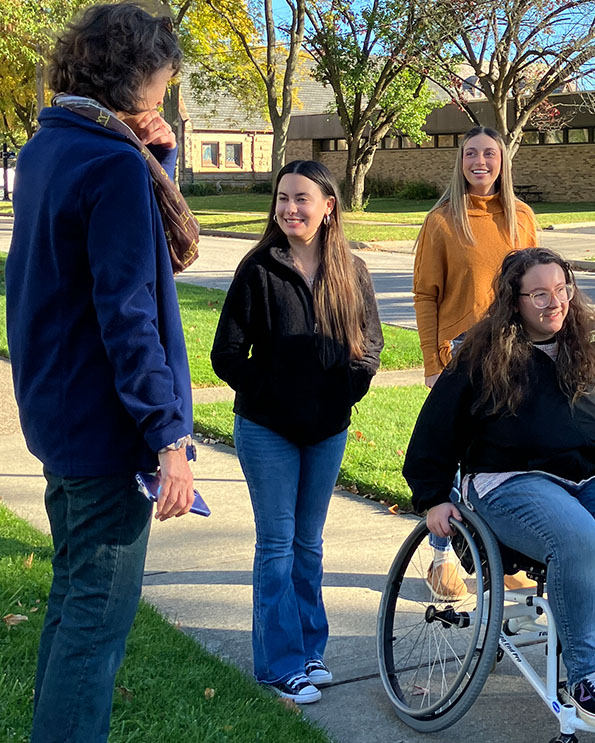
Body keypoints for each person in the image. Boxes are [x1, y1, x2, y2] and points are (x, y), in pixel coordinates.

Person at [4, 5, 197, 743]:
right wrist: (169, 437)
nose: (166, 87)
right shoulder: (111, 162)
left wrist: (159, 160)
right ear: (134, 73)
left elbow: (133, 247)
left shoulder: (54, 144)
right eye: (163, 75)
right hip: (107, 430)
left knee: (72, 600)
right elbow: (130, 312)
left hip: (60, 416)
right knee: (95, 625)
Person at [404, 248, 595, 731]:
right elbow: (434, 431)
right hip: (508, 480)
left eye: (562, 290)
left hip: (589, 476)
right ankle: (584, 677)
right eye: (539, 295)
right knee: (575, 537)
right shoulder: (481, 354)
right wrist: (433, 496)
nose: (555, 304)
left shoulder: (590, 340)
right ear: (514, 301)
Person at [211, 159, 383, 704]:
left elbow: (370, 346)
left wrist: (340, 394)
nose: (289, 208)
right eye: (283, 198)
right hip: (267, 430)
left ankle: (310, 649)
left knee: (309, 545)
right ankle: (279, 664)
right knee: (278, 545)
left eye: (301, 199)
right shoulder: (258, 269)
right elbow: (227, 355)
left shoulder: (350, 271)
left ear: (328, 206)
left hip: (328, 430)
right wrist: (278, 393)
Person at [412, 126, 539, 600]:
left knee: (506, 455)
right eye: (471, 154)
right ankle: (442, 556)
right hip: (462, 353)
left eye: (490, 153)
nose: (480, 161)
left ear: (503, 161)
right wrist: (431, 361)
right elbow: (426, 294)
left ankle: (501, 555)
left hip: (517, 352)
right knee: (457, 455)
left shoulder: (521, 217)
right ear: (460, 161)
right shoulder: (443, 220)